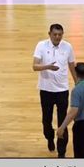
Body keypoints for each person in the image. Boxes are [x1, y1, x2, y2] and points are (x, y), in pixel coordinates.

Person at [33, 24, 76, 158]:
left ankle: (61, 151)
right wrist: (48, 67)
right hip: (46, 90)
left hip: (62, 90)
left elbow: (71, 65)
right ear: (49, 34)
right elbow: (34, 66)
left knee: (63, 121)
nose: (57, 37)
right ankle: (50, 137)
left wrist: (77, 82)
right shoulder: (41, 45)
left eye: (60, 35)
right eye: (55, 34)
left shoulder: (68, 47)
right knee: (46, 121)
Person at [56, 63, 84, 163]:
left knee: (80, 154)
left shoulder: (76, 90)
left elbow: (73, 111)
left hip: (82, 126)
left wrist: (62, 127)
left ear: (76, 74)